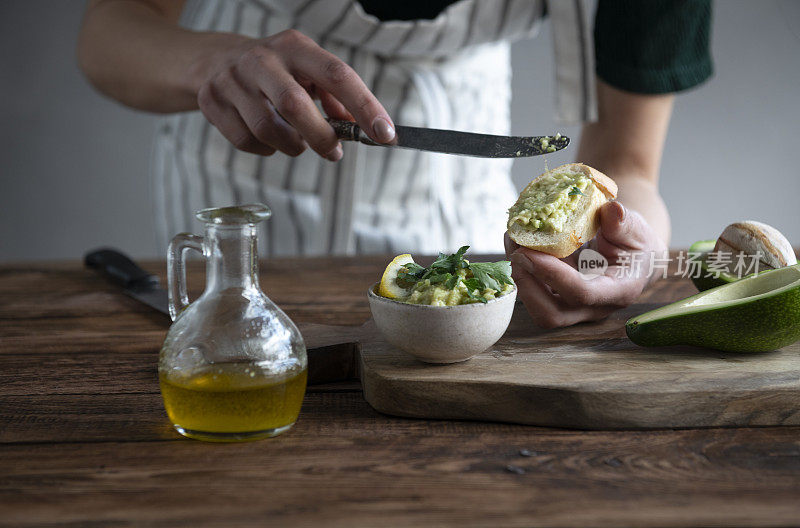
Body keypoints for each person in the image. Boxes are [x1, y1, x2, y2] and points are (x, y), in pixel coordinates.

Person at [77, 0, 712, 328]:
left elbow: (626, 161)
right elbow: (106, 31)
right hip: (246, 143)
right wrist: (206, 65)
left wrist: (629, 253)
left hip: (455, 197)